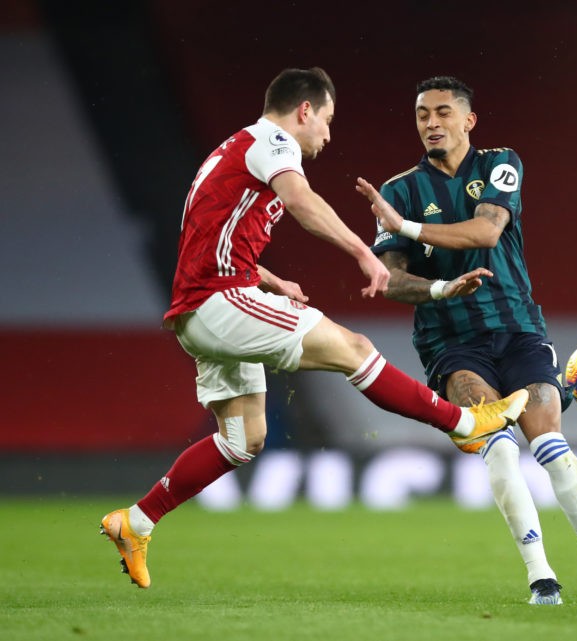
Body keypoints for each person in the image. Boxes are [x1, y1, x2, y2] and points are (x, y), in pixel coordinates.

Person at [99, 67, 528, 589]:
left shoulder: (231, 151)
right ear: (305, 111)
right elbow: (303, 204)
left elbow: (206, 236)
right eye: (325, 120)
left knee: (243, 438)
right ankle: (465, 425)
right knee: (354, 348)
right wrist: (362, 255)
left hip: (202, 306)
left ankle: (136, 521)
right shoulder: (273, 141)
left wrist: (270, 277)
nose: (327, 134)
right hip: (220, 301)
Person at [354, 76, 577, 605]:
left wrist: (410, 228)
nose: (432, 123)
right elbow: (389, 278)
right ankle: (541, 577)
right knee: (499, 445)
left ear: (468, 120)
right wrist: (442, 285)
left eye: (443, 112)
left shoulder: (499, 164)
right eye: (422, 115)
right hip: (450, 340)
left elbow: (487, 232)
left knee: (550, 440)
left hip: (517, 328)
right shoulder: (398, 191)